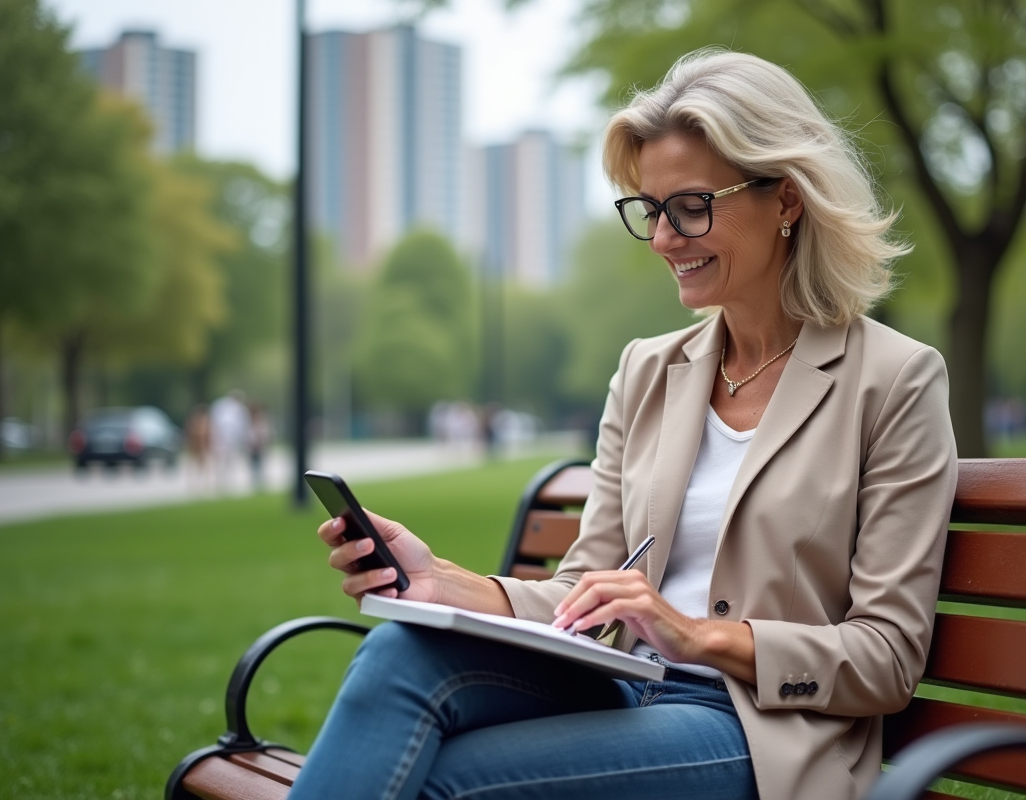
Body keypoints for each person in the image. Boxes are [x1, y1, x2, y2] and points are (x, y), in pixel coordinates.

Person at [289, 49, 957, 800]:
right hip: (620, 683)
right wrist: (440, 579)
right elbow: (584, 589)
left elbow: (886, 658)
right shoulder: (647, 370)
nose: (665, 239)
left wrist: (693, 635)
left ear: (787, 200)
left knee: (448, 781)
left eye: (692, 206)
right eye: (651, 210)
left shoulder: (894, 380)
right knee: (397, 655)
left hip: (756, 731)